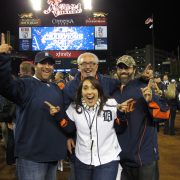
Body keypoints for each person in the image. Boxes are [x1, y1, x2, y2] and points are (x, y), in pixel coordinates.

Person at [0, 33, 67, 180]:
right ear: (35, 65)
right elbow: (4, 85)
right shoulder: (25, 84)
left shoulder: (55, 88)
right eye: (43, 63)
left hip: (52, 154)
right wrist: (3, 58)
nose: (47, 67)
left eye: (50, 64)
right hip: (31, 157)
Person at [45, 76, 133, 180]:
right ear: (80, 92)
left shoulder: (111, 104)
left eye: (93, 88)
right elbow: (69, 129)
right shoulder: (74, 107)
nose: (89, 91)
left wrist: (121, 115)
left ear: (99, 91)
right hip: (82, 160)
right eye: (85, 88)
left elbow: (120, 129)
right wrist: (58, 116)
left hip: (108, 159)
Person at [112, 55, 170, 180]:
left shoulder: (144, 88)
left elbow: (164, 115)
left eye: (127, 68)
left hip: (144, 157)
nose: (123, 71)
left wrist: (150, 102)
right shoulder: (113, 92)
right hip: (122, 158)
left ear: (134, 69)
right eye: (120, 67)